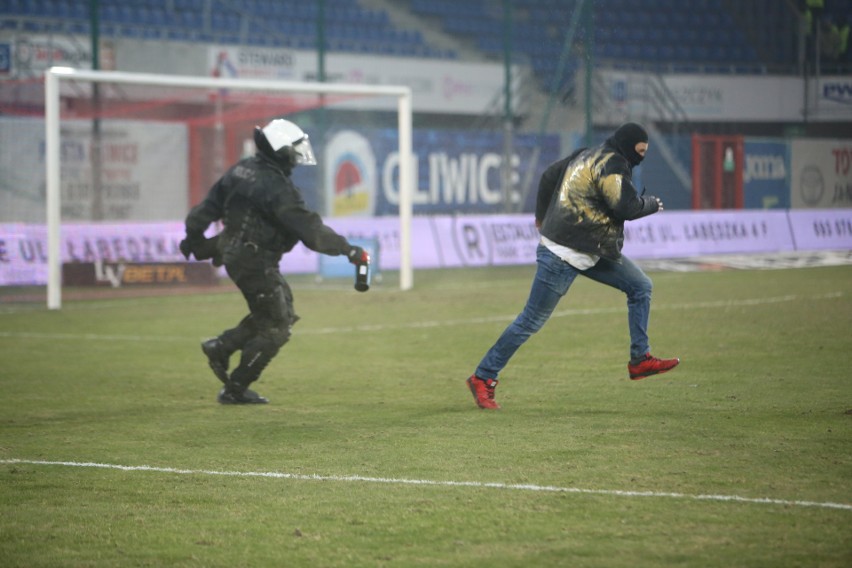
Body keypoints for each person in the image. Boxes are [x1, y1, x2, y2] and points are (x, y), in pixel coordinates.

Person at [466, 122, 679, 410]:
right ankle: (483, 376)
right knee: (530, 321)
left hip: (589, 249)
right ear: (629, 147)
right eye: (640, 152)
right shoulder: (613, 164)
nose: (642, 156)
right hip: (562, 255)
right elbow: (624, 207)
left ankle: (640, 359)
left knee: (641, 286)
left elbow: (548, 175)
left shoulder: (585, 154)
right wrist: (650, 204)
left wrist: (541, 217)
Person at [180, 118, 369, 405]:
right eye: (293, 150)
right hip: (254, 261)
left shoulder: (240, 170)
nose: (296, 157)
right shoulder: (279, 189)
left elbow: (204, 211)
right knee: (277, 327)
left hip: (234, 254)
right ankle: (234, 388)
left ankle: (222, 346)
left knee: (278, 310)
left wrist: (194, 239)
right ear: (280, 151)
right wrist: (349, 250)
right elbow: (312, 232)